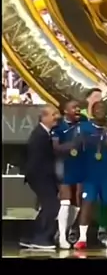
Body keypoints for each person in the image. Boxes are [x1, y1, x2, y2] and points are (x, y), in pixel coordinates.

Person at [74, 100, 107, 250]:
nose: (100, 111)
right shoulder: (84, 127)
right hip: (90, 172)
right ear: (92, 111)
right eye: (97, 108)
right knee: (88, 203)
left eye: (103, 109)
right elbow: (78, 147)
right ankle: (82, 238)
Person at [21, 105, 61, 250]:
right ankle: (41, 238)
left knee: (48, 206)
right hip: (40, 176)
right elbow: (38, 160)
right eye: (53, 114)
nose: (57, 117)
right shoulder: (40, 136)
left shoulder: (44, 134)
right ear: (44, 117)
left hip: (42, 176)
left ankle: (32, 237)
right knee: (52, 206)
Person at [52, 99, 87, 249]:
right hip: (64, 164)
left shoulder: (84, 123)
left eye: (78, 107)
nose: (78, 110)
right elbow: (55, 148)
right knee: (65, 199)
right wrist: (72, 146)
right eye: (74, 107)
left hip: (81, 164)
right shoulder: (58, 126)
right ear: (66, 110)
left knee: (78, 198)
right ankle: (61, 237)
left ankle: (66, 230)